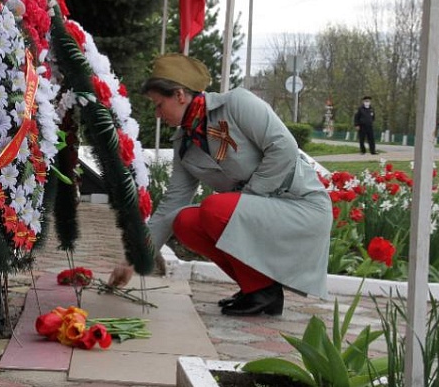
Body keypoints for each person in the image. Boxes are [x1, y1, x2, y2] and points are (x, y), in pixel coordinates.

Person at [107, 53, 332, 316]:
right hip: (258, 213)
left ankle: (262, 289)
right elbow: (172, 205)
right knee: (184, 221)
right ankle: (259, 289)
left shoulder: (237, 104)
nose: (158, 114)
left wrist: (247, 199)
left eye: (159, 105)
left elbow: (284, 148)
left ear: (179, 95)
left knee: (214, 208)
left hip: (300, 205)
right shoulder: (185, 144)